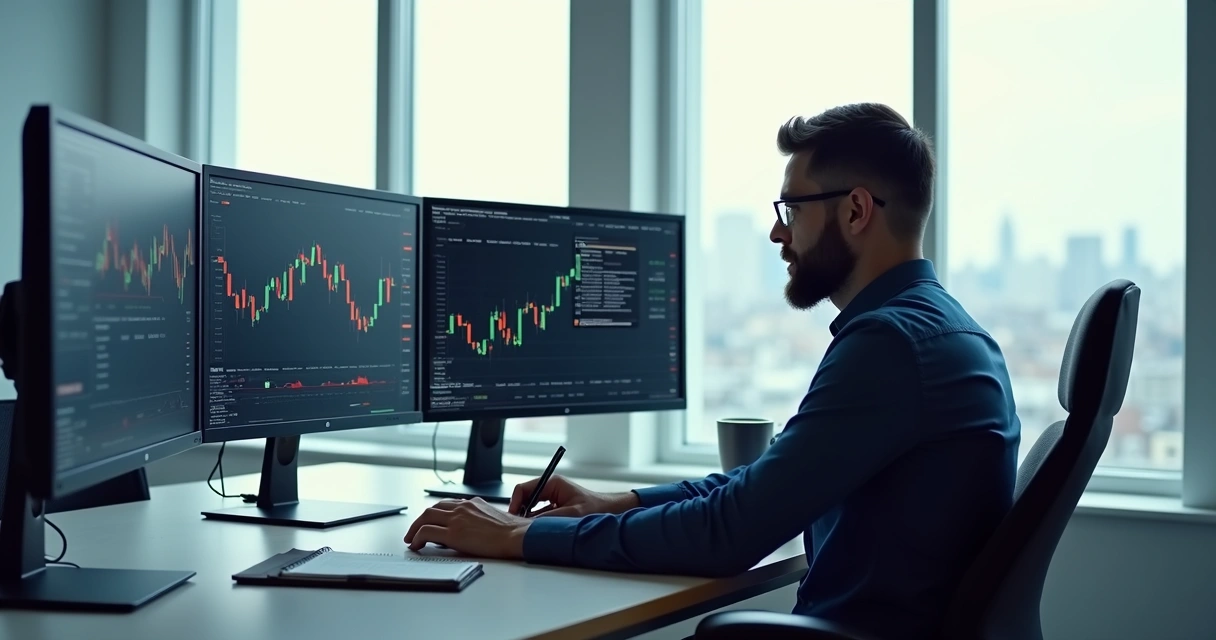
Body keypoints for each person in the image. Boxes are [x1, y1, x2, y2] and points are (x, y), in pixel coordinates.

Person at [404, 103, 1021, 639]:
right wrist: (615, 501)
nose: (778, 232)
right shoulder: (935, 329)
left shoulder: (891, 345)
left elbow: (730, 533)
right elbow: (759, 483)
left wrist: (517, 538)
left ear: (857, 210)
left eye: (793, 208)